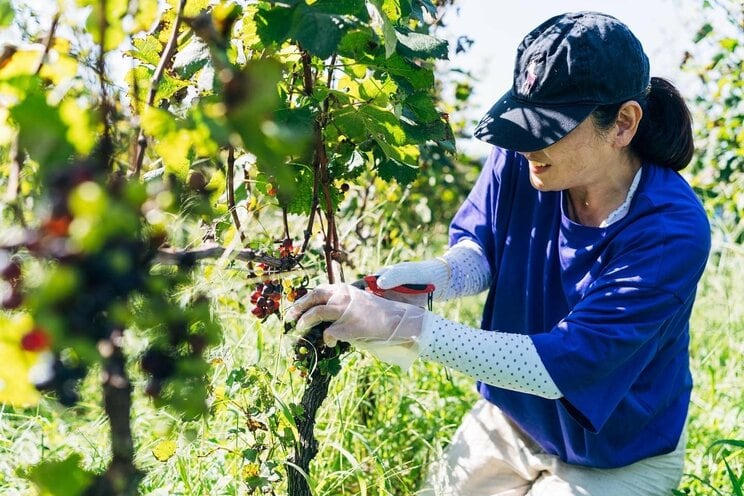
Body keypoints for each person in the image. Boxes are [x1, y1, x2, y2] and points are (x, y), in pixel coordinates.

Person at [286, 11, 711, 496]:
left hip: (616, 458)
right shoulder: (528, 154)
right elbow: (483, 248)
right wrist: (431, 279)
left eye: (549, 125)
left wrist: (402, 327)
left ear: (622, 124)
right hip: (513, 420)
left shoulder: (669, 231)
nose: (526, 142)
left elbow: (560, 365)